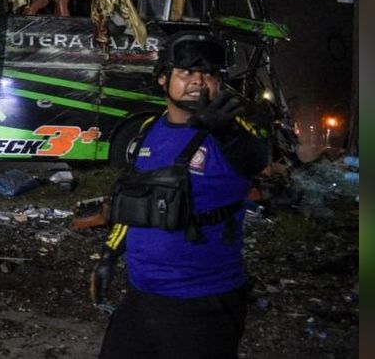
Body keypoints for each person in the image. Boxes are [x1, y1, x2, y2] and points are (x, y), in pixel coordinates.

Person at [91, 31, 269, 358]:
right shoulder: (149, 130)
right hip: (141, 297)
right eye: (186, 72)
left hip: (203, 305)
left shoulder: (233, 133)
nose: (199, 81)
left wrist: (226, 130)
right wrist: (109, 256)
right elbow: (135, 203)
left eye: (210, 74)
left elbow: (253, 159)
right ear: (163, 78)